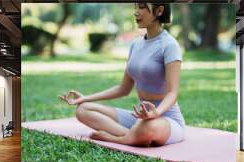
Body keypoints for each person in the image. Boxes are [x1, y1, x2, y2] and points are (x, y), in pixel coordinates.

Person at [60, 3, 185, 147]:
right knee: (83, 109)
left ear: (159, 10)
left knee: (147, 127)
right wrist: (85, 98)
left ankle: (118, 138)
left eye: (142, 7)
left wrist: (156, 113)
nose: (136, 12)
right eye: (136, 7)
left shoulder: (170, 45)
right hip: (141, 117)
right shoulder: (135, 45)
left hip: (166, 119)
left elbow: (172, 93)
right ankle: (130, 136)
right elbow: (123, 89)